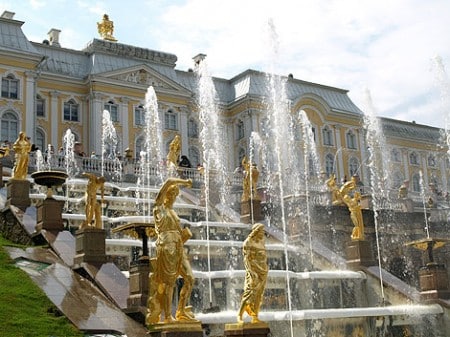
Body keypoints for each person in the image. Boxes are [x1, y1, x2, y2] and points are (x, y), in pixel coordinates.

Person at [146, 177, 198, 325]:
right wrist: (185, 182)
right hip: (166, 248)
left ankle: (181, 311)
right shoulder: (158, 208)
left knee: (189, 278)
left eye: (175, 196)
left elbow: (177, 230)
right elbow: (169, 181)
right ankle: (168, 316)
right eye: (172, 195)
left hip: (179, 247)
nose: (174, 198)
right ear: (165, 195)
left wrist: (184, 235)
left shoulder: (172, 212)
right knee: (169, 283)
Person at [237, 223, 268, 324]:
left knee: (259, 294)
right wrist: (251, 272)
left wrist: (266, 267)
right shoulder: (248, 242)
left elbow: (264, 256)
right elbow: (246, 260)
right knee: (249, 292)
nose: (263, 233)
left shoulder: (262, 242)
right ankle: (240, 314)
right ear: (257, 231)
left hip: (263, 271)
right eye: (262, 231)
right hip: (253, 270)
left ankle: (255, 315)